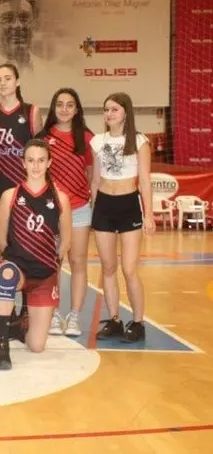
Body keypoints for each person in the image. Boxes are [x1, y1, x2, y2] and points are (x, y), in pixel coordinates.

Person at [0, 139, 71, 370]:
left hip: (44, 274)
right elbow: (2, 238)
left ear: (49, 163)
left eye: (41, 160)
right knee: (6, 273)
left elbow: (65, 241)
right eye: (31, 160)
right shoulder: (10, 196)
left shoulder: (60, 198)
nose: (36, 166)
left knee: (36, 346)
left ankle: (18, 327)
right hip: (17, 267)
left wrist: (50, 264)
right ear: (23, 163)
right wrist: (14, 258)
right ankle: (1, 342)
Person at [90, 92, 154, 343]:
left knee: (129, 269)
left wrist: (149, 215)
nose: (109, 114)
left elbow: (145, 181)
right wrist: (94, 210)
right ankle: (115, 320)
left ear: (126, 112)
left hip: (129, 206)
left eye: (114, 109)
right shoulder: (97, 141)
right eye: (106, 109)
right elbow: (95, 180)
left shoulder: (139, 141)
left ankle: (138, 323)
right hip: (104, 206)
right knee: (108, 268)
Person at [0, 63, 42, 331]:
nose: (3, 83)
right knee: (6, 253)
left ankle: (27, 309)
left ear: (17, 81)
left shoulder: (31, 112)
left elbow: (40, 153)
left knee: (26, 252)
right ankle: (9, 312)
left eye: (7, 78)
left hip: (24, 197)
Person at [37, 88, 94, 337]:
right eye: (59, 104)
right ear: (53, 107)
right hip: (51, 211)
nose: (64, 109)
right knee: (54, 263)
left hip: (80, 208)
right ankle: (54, 313)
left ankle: (75, 316)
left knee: (78, 261)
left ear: (77, 109)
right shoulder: (43, 137)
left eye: (70, 105)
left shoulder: (88, 138)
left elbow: (91, 175)